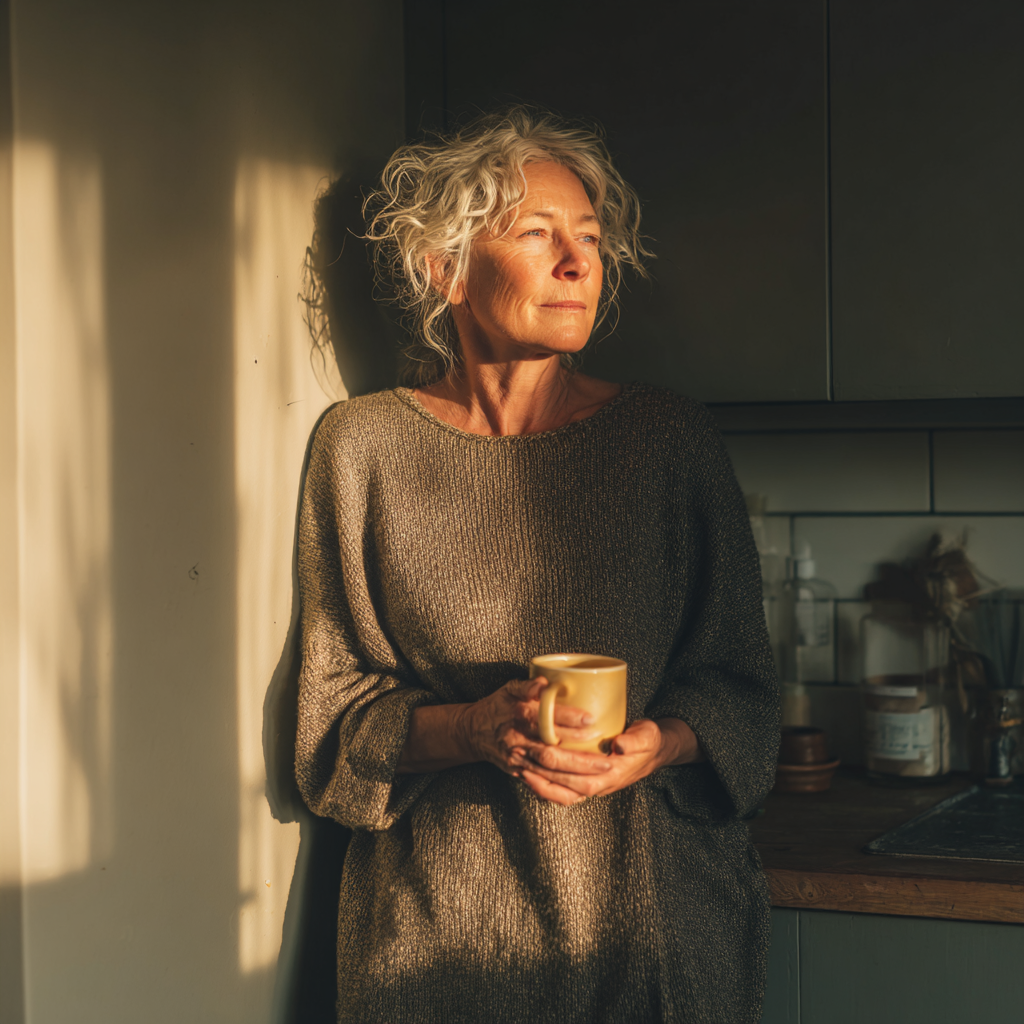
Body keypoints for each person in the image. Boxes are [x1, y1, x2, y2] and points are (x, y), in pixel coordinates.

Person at [296, 106, 780, 1024]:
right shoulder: (363, 450)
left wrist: (659, 746)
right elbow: (331, 720)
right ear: (445, 270)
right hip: (434, 945)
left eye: (591, 240)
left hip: (650, 936)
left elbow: (742, 688)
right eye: (537, 233)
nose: (578, 263)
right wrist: (474, 728)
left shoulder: (668, 442)